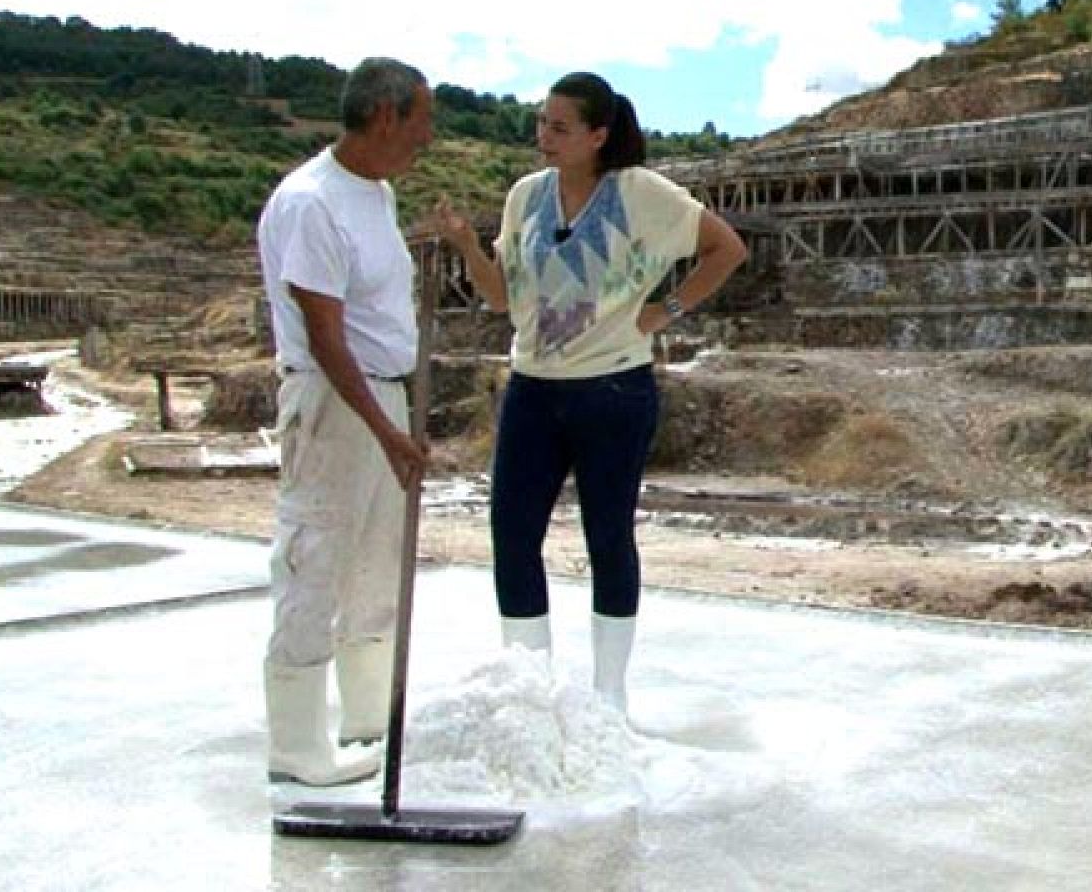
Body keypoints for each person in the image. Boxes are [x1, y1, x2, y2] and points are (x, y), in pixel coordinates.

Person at [432, 71, 747, 714]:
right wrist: (467, 246)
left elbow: (726, 248)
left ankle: (610, 696)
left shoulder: (641, 194)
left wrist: (669, 309)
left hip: (612, 389)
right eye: (540, 122)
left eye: (559, 126)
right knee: (513, 537)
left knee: (607, 536)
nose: (543, 136)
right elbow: (502, 299)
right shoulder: (526, 196)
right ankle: (530, 688)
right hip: (533, 390)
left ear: (598, 136)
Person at [256, 57, 433, 785]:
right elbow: (325, 335)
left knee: (374, 564)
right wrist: (387, 431)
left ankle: (367, 717)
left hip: (380, 396)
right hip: (336, 403)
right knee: (317, 557)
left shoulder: (377, 194)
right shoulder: (312, 202)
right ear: (385, 114)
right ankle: (296, 747)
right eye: (423, 119)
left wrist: (400, 413)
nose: (429, 136)